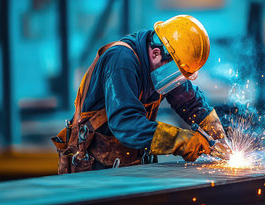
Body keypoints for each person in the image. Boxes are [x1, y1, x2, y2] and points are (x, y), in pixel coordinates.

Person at [52, 15, 229, 174]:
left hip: (130, 165)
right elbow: (126, 124)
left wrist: (216, 132)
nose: (176, 80)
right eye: (176, 73)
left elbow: (190, 102)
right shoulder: (121, 62)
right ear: (156, 53)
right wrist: (183, 141)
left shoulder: (163, 64)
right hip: (94, 171)